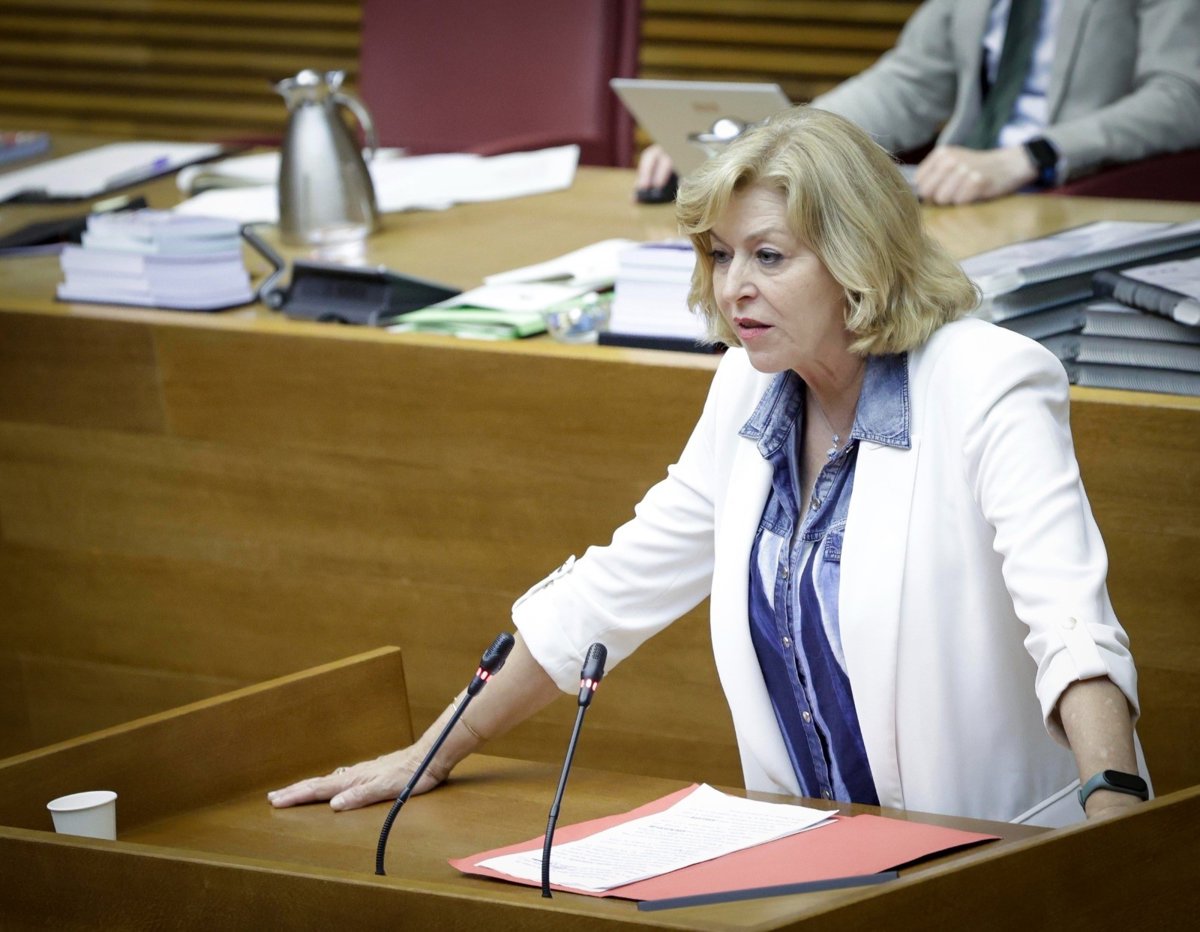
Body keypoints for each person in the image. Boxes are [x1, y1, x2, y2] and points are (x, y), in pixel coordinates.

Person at [269, 106, 1148, 827]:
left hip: (997, 856)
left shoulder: (986, 380)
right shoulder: (749, 386)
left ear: (859, 258)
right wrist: (437, 749)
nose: (733, 288)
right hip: (815, 860)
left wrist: (1113, 809)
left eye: (768, 255)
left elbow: (1070, 624)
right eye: (721, 255)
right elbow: (610, 593)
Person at [636, 0, 1200, 205]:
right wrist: (765, 141)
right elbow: (906, 84)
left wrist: (1031, 156)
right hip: (962, 202)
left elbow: (1183, 98)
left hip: (1078, 195)